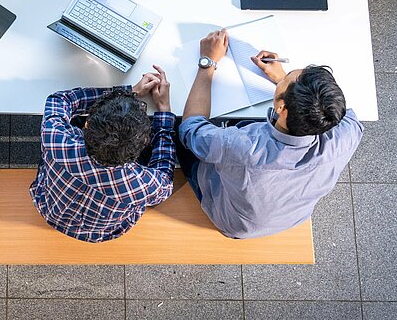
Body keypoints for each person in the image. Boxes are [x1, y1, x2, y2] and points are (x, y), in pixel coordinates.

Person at [178, 29, 364, 239]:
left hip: (234, 223)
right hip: (290, 215)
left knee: (179, 131)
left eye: (287, 78)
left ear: (282, 109)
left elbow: (191, 130)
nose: (284, 76)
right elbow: (351, 119)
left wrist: (208, 62)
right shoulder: (346, 136)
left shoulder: (242, 147)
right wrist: (288, 85)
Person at [29, 66, 177, 242]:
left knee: (70, 121)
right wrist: (164, 112)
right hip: (104, 231)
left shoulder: (56, 139)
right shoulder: (142, 185)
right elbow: (165, 181)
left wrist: (130, 92)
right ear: (144, 143)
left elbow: (60, 99)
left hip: (48, 208)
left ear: (87, 124)